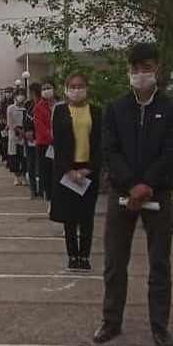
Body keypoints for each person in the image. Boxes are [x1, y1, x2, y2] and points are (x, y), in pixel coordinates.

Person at [94, 42, 173, 346]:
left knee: (159, 262)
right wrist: (131, 183)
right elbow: (110, 150)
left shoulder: (172, 108)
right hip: (122, 192)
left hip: (158, 193)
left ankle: (159, 326)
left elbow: (172, 152)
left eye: (146, 67)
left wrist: (147, 184)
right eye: (135, 68)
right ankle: (111, 322)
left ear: (157, 68)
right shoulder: (116, 108)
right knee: (114, 261)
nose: (140, 73)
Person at [49, 73, 102, 272]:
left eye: (80, 86)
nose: (77, 90)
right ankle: (72, 255)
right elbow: (58, 144)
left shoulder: (96, 112)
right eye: (73, 86)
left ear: (87, 88)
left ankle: (85, 255)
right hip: (67, 171)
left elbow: (101, 144)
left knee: (87, 216)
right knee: (69, 216)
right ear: (66, 88)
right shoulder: (60, 111)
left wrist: (89, 169)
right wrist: (69, 171)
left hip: (88, 169)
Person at [33, 82, 56, 200]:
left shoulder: (60, 105)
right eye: (44, 89)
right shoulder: (38, 107)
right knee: (46, 171)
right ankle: (49, 196)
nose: (47, 90)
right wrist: (52, 136)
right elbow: (39, 125)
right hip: (44, 143)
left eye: (49, 88)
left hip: (60, 143)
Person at [6, 88, 29, 186]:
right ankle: (16, 177)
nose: (20, 96)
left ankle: (24, 176)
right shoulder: (11, 108)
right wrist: (18, 131)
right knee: (14, 157)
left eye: (22, 94)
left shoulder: (27, 107)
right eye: (18, 94)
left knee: (24, 157)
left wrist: (24, 132)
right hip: (14, 134)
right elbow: (10, 122)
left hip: (25, 134)